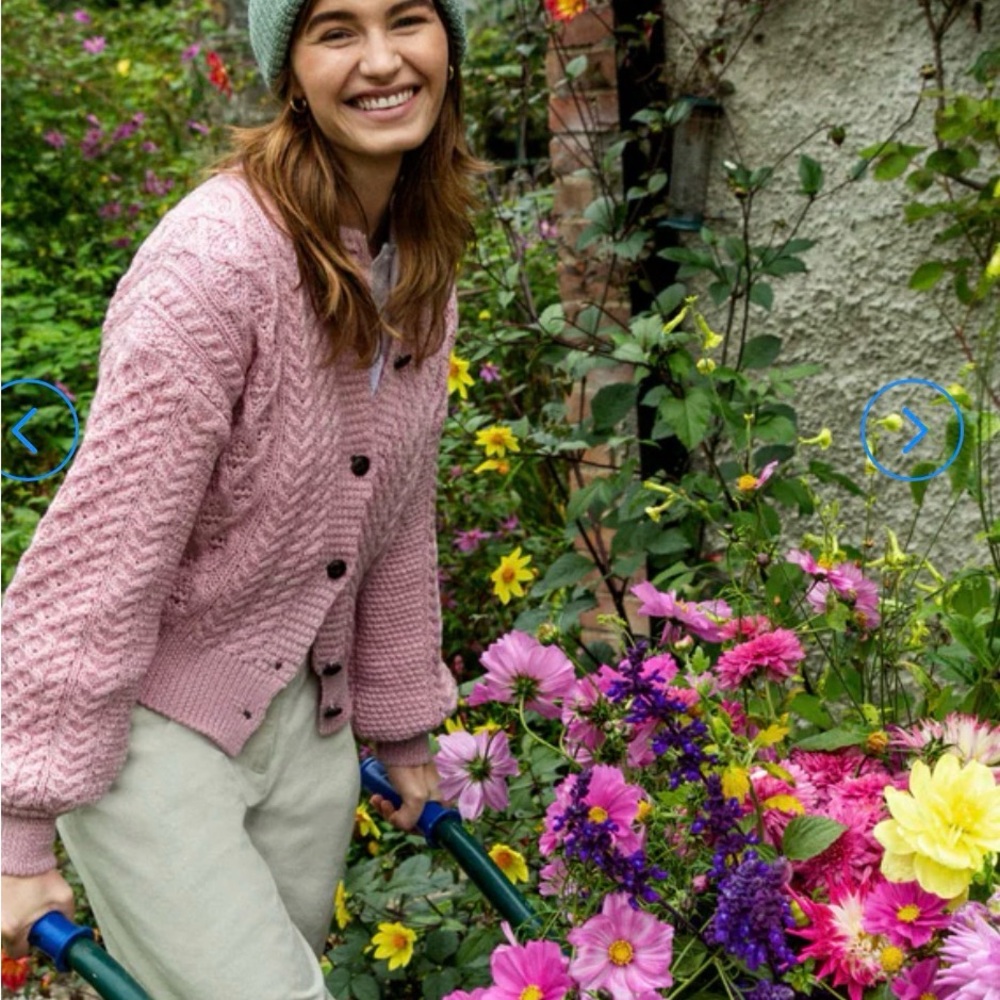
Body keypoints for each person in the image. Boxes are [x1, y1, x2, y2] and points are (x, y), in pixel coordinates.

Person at [1, 0, 482, 995]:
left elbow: (398, 515)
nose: (382, 60)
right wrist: (16, 819)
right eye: (335, 29)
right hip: (152, 732)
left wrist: (400, 722)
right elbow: (102, 547)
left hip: (307, 726)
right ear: (289, 68)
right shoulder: (216, 263)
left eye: (409, 19)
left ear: (451, 43)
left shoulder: (417, 266)